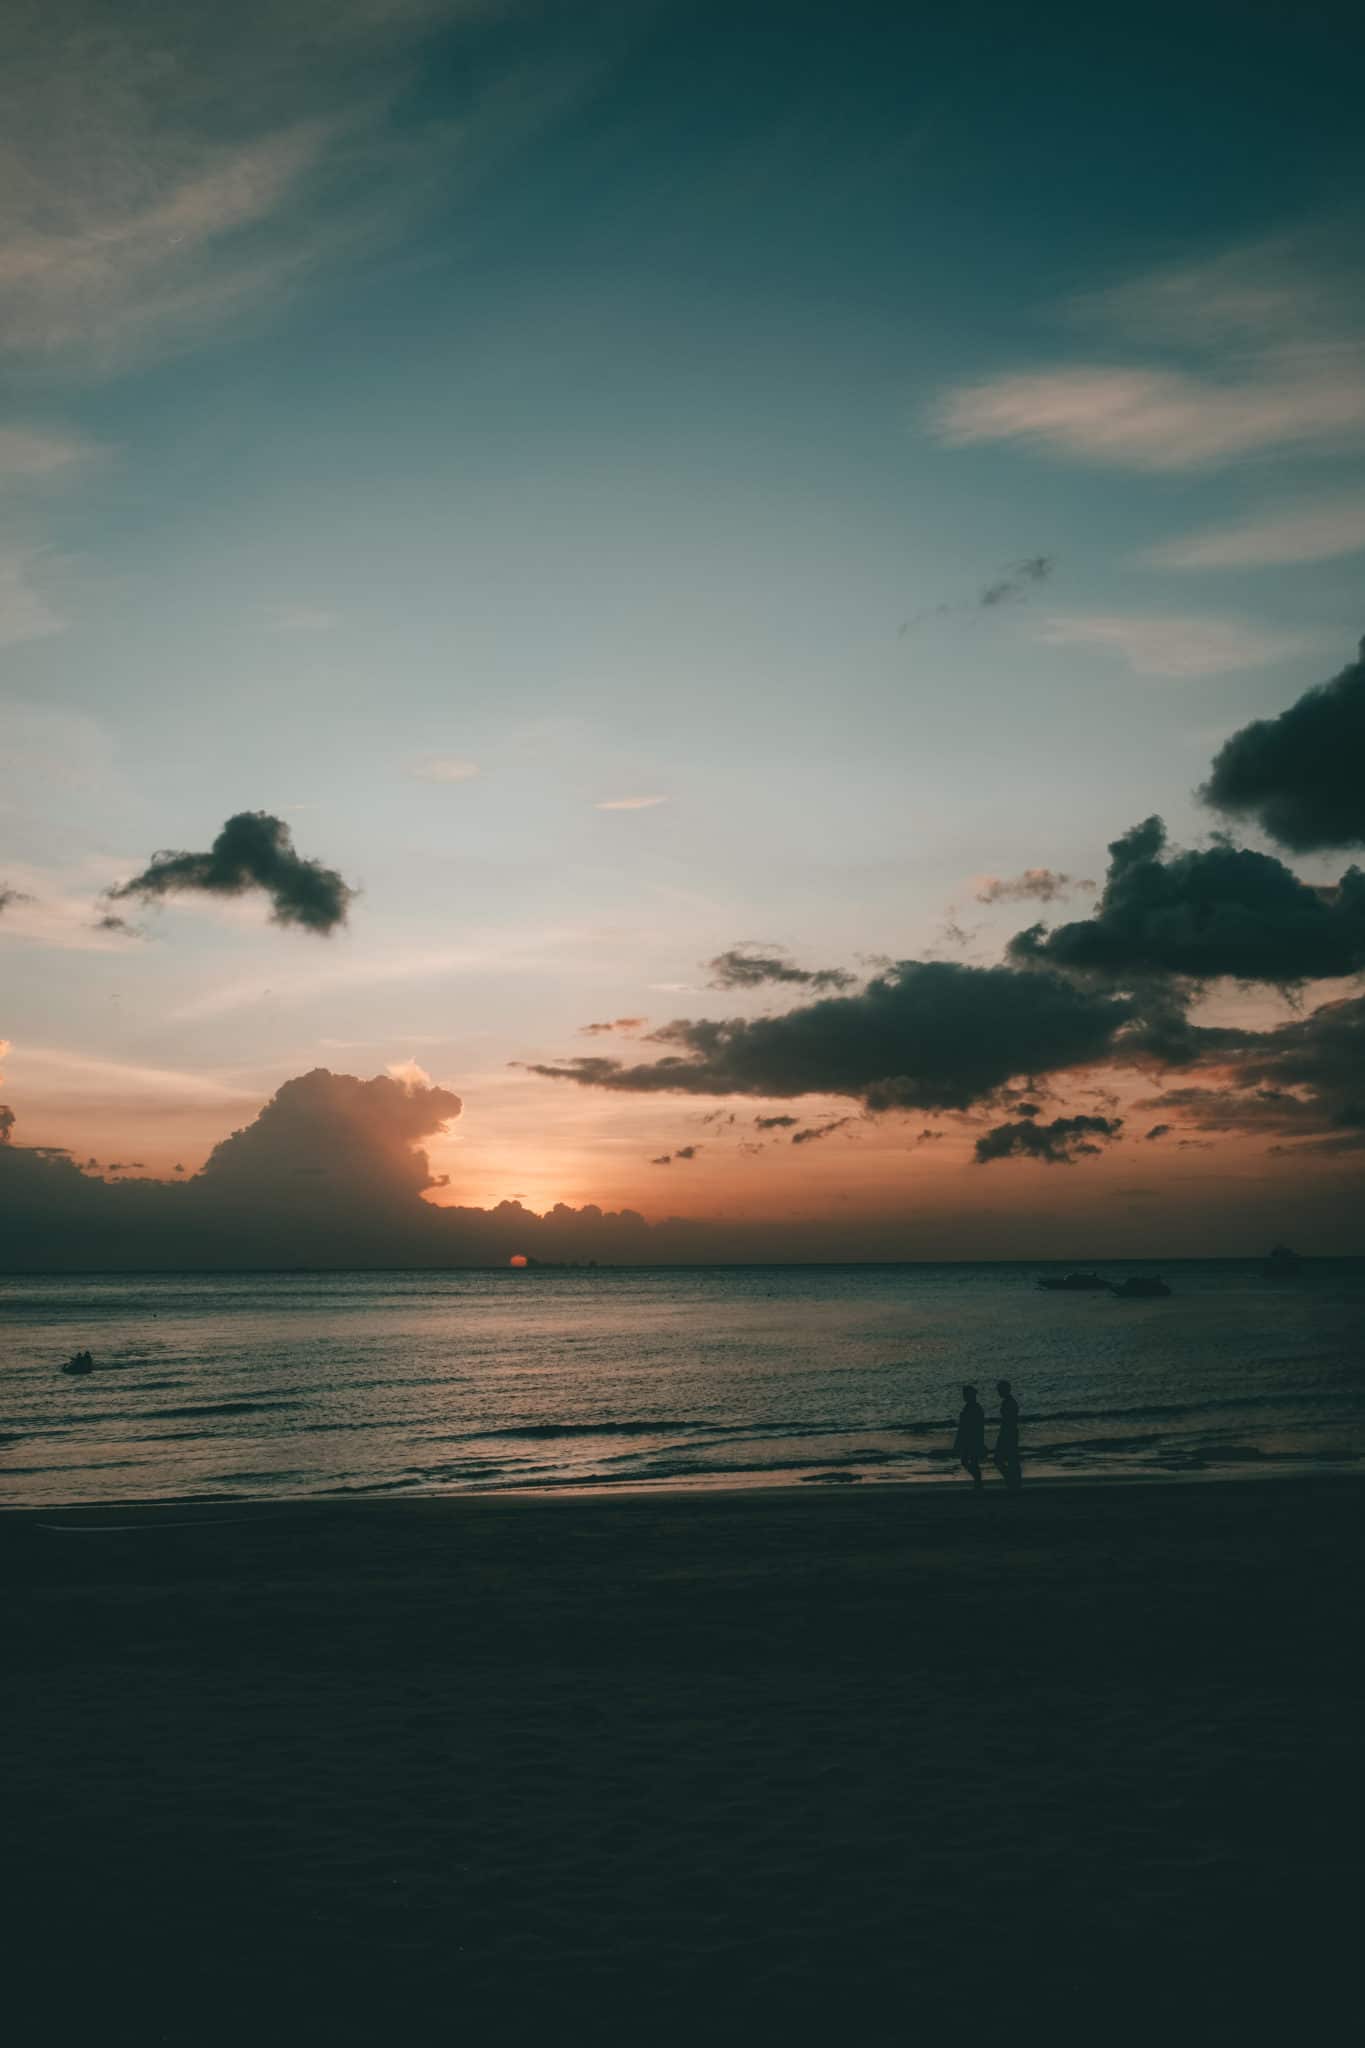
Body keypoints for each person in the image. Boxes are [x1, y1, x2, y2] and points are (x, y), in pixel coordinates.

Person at [954, 1384, 986, 1488]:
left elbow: (978, 1426)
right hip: (969, 1439)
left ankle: (978, 1482)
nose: (964, 1396)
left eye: (966, 1394)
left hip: (972, 1439)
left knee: (971, 1461)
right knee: (968, 1461)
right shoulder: (970, 1407)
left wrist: (980, 1440)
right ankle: (978, 1482)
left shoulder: (975, 1408)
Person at [993, 1379, 1022, 1490]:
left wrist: (1003, 1434)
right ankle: (1014, 1482)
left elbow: (1008, 1421)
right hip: (1011, 1432)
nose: (998, 1392)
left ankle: (1012, 1481)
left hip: (1008, 1433)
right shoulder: (1010, 1402)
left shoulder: (1009, 1402)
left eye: (999, 1390)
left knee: (1002, 1459)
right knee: (1011, 1459)